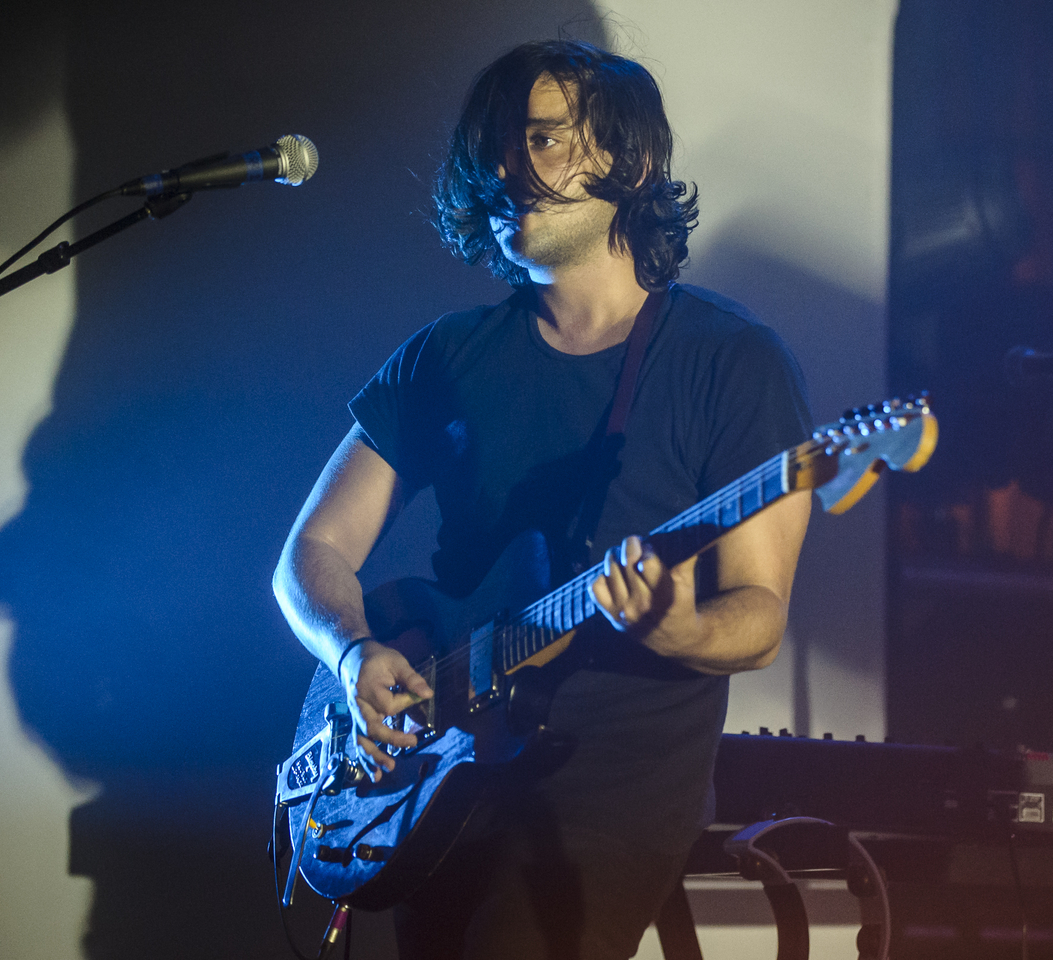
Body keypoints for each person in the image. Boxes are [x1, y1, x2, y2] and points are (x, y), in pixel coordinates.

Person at [274, 38, 813, 960]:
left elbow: (757, 619)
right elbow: (311, 556)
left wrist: (670, 623)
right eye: (495, 143)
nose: (506, 167)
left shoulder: (730, 363)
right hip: (437, 781)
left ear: (631, 162)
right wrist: (353, 649)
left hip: (602, 799)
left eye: (544, 139)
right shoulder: (445, 356)